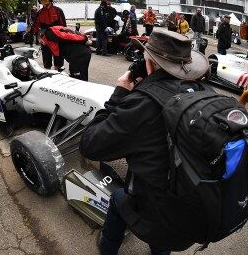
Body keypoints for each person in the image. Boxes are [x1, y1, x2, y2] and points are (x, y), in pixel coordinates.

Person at [80, 29, 210, 255]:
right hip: (195, 209)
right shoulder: (203, 92)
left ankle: (107, 247)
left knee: (119, 200)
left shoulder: (143, 105)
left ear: (150, 65)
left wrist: (119, 94)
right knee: (162, 239)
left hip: (158, 211)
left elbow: (90, 144)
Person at [31, 0, 66, 69]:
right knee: (47, 64)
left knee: (59, 64)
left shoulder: (58, 11)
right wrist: (39, 38)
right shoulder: (39, 13)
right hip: (45, 41)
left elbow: (64, 27)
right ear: (40, 1)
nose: (44, 0)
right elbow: (35, 27)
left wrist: (62, 39)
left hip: (57, 40)